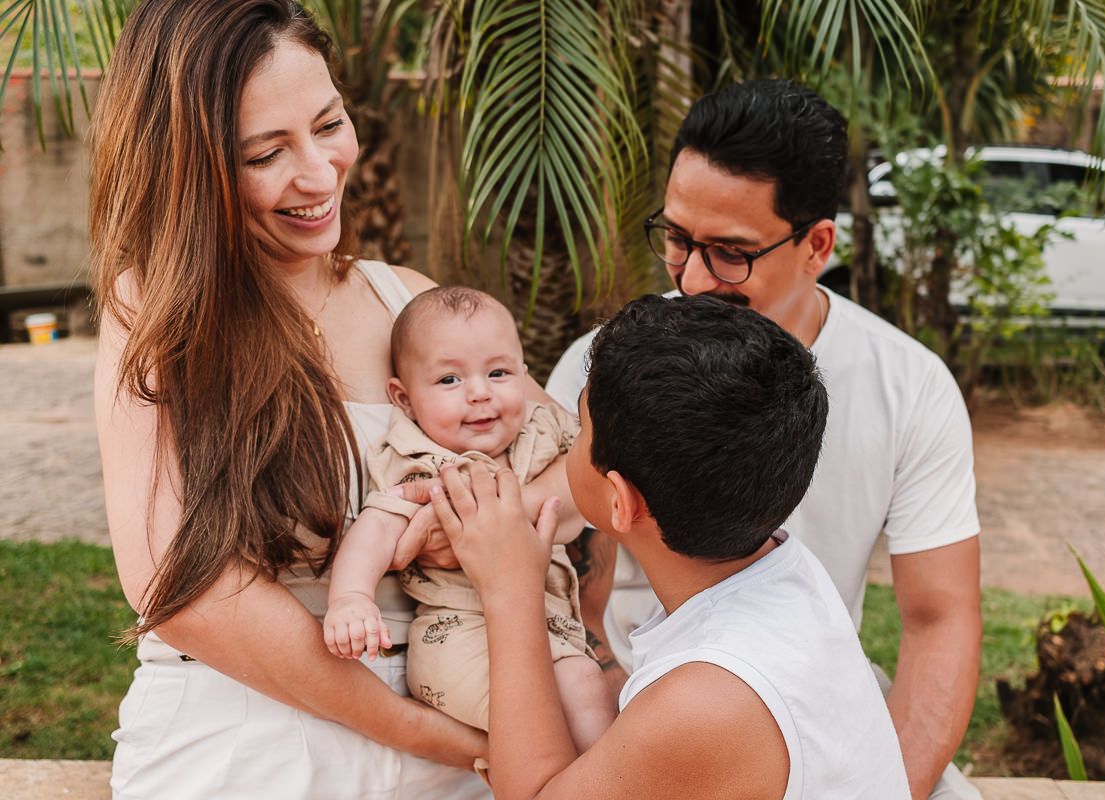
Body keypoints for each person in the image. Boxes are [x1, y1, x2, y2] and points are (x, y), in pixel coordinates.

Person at [91, 1, 566, 796]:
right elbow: (184, 592)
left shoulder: (408, 303)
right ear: (188, 166)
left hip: (460, 716)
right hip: (255, 744)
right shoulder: (157, 314)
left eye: (329, 123)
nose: (318, 174)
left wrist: (491, 524)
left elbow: (579, 458)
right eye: (265, 153)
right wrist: (424, 732)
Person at [546, 79, 982, 800]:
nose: (689, 278)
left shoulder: (911, 387)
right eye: (678, 239)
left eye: (730, 252)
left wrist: (886, 786)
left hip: (811, 704)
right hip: (640, 715)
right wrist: (614, 692)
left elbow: (940, 621)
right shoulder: (607, 368)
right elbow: (559, 574)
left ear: (816, 245)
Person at [428, 294, 910, 799]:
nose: (567, 439)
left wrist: (510, 590)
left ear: (620, 501)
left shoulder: (708, 699)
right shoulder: (787, 569)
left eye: (579, 429)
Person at [322, 286, 614, 751]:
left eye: (498, 373)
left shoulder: (541, 434)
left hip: (549, 631)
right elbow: (377, 527)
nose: (480, 393)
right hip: (459, 638)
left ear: (524, 374)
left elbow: (599, 464)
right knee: (576, 697)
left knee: (590, 700)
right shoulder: (422, 462)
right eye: (449, 381)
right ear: (403, 398)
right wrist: (351, 598)